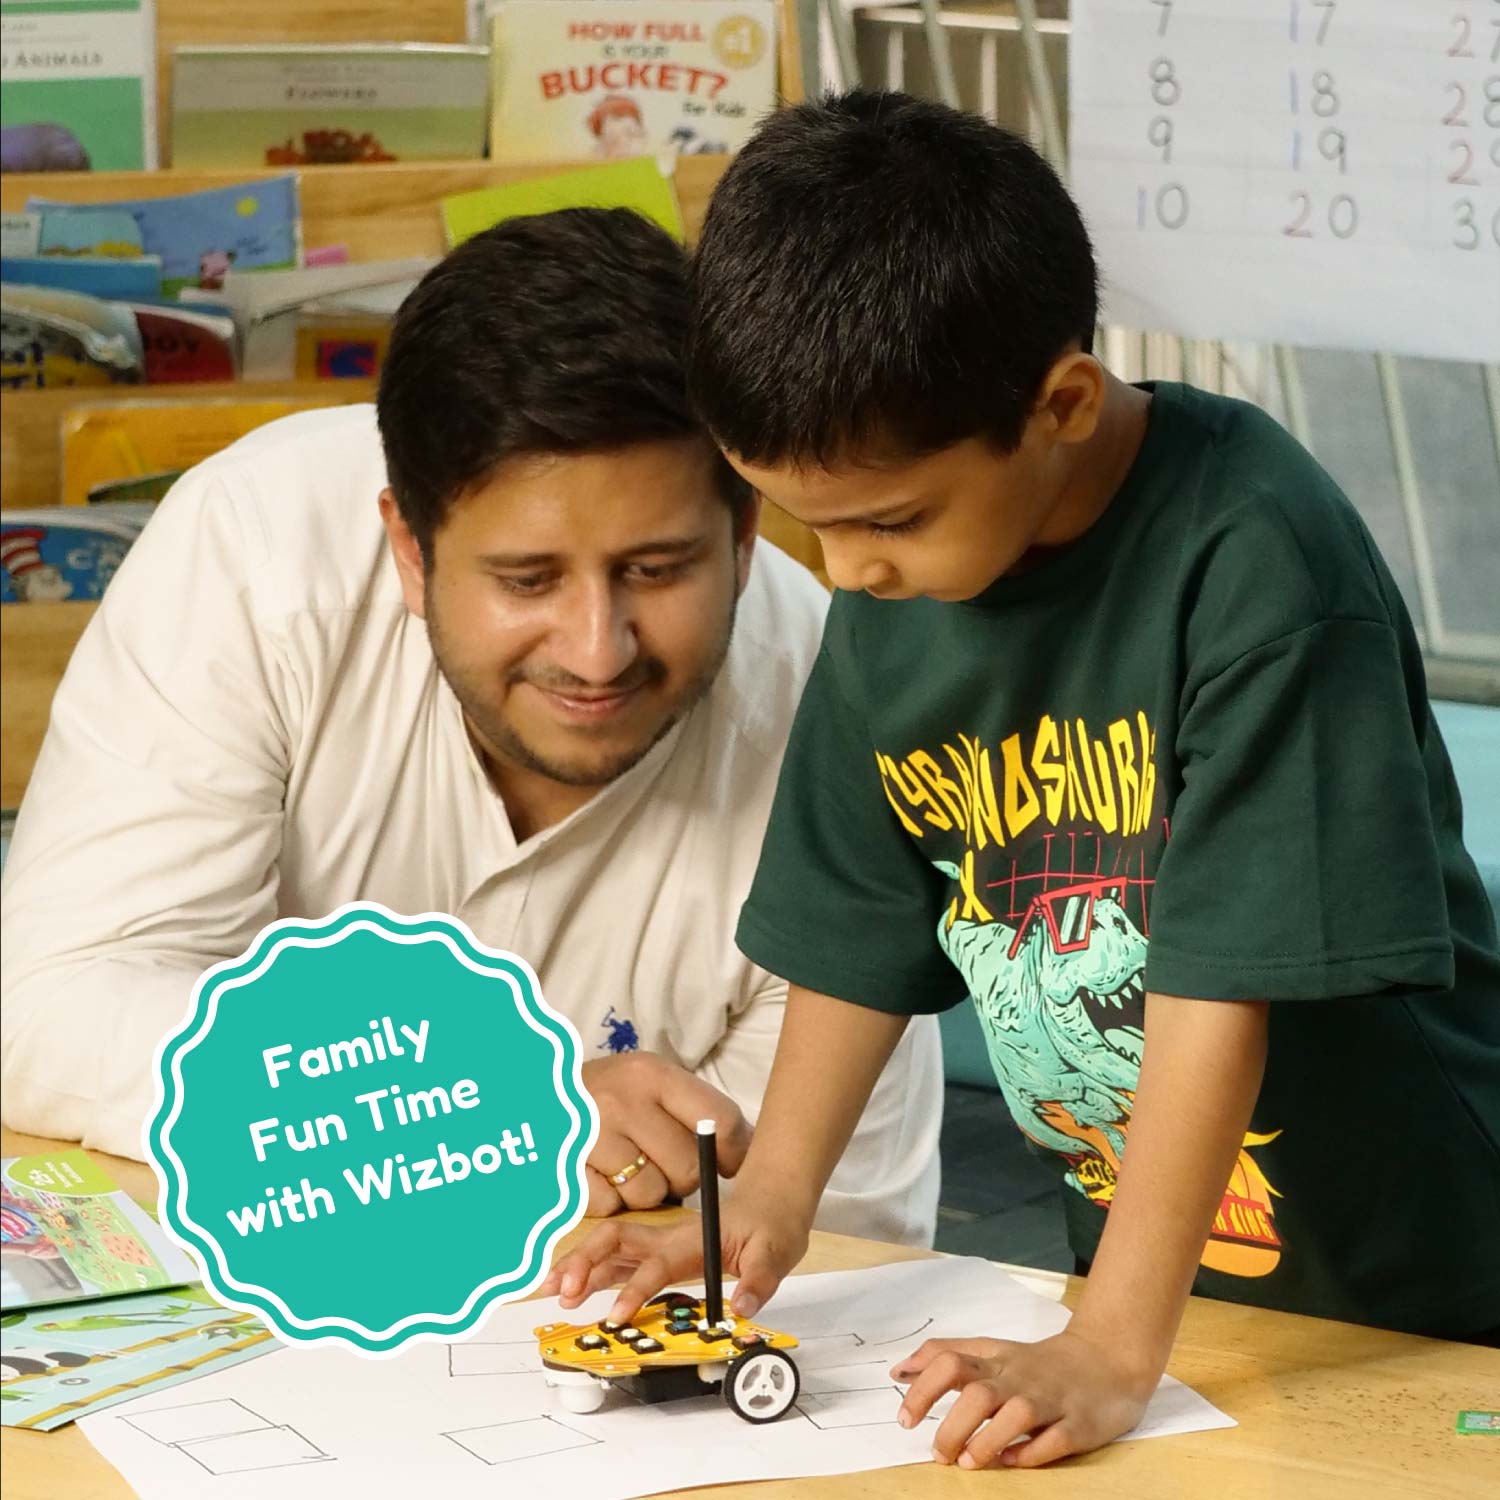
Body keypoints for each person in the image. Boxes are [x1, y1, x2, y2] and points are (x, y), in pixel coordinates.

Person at [543, 93, 1500, 1467]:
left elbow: (1214, 986)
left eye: (886, 523)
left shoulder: (1255, 556)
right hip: (1147, 1271)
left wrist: (1115, 1343)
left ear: (1056, 404)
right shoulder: (901, 574)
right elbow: (856, 920)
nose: (850, 573)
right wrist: (775, 1195)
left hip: (1417, 1275)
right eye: (809, 528)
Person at [0, 207, 943, 1248]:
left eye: (657, 569)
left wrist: (323, 1119)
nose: (597, 650)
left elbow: (834, 1241)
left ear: (748, 530)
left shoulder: (838, 718)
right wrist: (481, 1103)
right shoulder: (254, 554)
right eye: (526, 579)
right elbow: (49, 1017)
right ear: (409, 547)